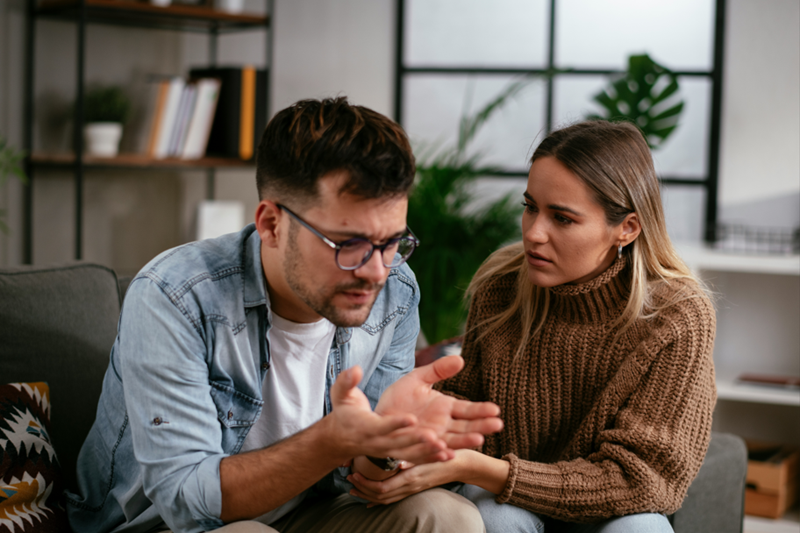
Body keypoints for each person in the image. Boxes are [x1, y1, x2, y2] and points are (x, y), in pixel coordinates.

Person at [66, 97, 503, 533]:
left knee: (450, 518)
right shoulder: (175, 297)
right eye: (348, 243)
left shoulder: (396, 290)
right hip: (167, 526)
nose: (376, 271)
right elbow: (185, 501)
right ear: (272, 224)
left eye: (392, 242)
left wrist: (386, 445)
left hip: (308, 510)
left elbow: (361, 475)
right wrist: (333, 442)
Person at [348, 120, 717, 532]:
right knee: (494, 515)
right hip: (506, 504)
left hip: (608, 513)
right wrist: (397, 443)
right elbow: (463, 422)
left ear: (626, 229)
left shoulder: (677, 316)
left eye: (562, 218)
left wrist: (486, 470)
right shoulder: (501, 288)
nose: (534, 233)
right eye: (530, 207)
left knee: (639, 529)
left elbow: (641, 481)